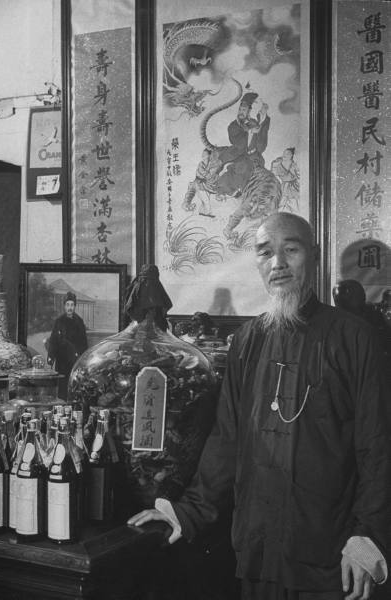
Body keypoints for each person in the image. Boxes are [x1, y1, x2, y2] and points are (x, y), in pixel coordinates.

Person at [128, 212, 391, 600]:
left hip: (332, 553)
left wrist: (367, 535)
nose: (278, 264)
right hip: (259, 547)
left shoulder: (356, 338)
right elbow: (227, 438)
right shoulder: (249, 339)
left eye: (291, 250)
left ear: (315, 255)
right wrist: (186, 511)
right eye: (266, 253)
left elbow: (378, 446)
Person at [215, 92, 271, 199]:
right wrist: (250, 132)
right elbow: (234, 140)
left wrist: (263, 115)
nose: (241, 112)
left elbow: (261, 142)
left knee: (249, 168)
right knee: (233, 166)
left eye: (244, 110)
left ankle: (244, 191)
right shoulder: (234, 125)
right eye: (240, 110)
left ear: (249, 111)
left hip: (252, 155)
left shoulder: (253, 122)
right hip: (238, 153)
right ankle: (226, 190)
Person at [47, 291, 88, 399]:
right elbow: (53, 341)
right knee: (62, 385)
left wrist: (83, 359)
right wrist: (51, 357)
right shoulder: (59, 321)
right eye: (67, 305)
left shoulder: (79, 321)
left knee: (74, 384)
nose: (70, 308)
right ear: (64, 306)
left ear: (75, 306)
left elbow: (84, 343)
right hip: (62, 361)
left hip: (75, 360)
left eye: (72, 305)